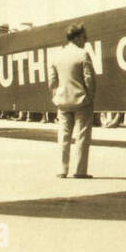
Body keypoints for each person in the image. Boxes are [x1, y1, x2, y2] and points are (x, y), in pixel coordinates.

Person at [47, 24, 96, 179]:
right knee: (82, 136)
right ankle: (80, 170)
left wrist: (57, 94)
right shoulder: (83, 54)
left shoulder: (57, 55)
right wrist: (90, 96)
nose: (86, 40)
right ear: (76, 37)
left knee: (63, 135)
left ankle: (62, 169)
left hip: (62, 101)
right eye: (83, 36)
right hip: (81, 100)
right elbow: (89, 80)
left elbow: (51, 81)